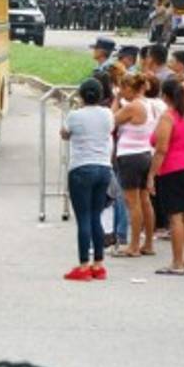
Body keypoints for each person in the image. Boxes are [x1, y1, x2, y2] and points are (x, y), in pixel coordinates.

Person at [147, 77, 184, 275]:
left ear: (165, 96)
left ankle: (177, 262)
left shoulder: (168, 116)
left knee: (175, 216)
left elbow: (161, 148)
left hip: (173, 167)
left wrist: (151, 175)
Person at [60, 78, 113, 281]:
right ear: (100, 96)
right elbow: (108, 131)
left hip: (81, 167)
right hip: (103, 167)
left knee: (83, 218)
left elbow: (65, 134)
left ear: (81, 95)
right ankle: (98, 264)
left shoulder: (74, 115)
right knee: (95, 216)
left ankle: (83, 266)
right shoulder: (107, 114)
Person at [111, 73, 157, 257]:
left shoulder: (132, 106)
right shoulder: (149, 104)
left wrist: (116, 99)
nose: (121, 92)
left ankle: (134, 245)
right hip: (146, 153)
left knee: (133, 202)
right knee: (145, 200)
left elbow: (111, 120)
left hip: (130, 155)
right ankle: (148, 243)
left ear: (131, 88)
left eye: (123, 88)